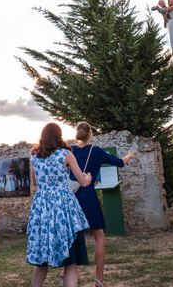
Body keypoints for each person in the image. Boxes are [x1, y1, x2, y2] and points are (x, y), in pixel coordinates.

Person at [68, 122, 135, 287]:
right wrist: (129, 156)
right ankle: (99, 280)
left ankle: (66, 275)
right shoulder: (96, 151)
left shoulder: (70, 151)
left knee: (71, 237)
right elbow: (120, 162)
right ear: (90, 134)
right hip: (88, 196)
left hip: (70, 197)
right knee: (99, 236)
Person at [27, 122, 91, 287]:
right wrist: (88, 178)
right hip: (64, 207)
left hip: (42, 207)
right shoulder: (66, 154)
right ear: (59, 136)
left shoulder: (34, 158)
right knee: (71, 261)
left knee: (41, 262)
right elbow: (82, 182)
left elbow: (34, 184)